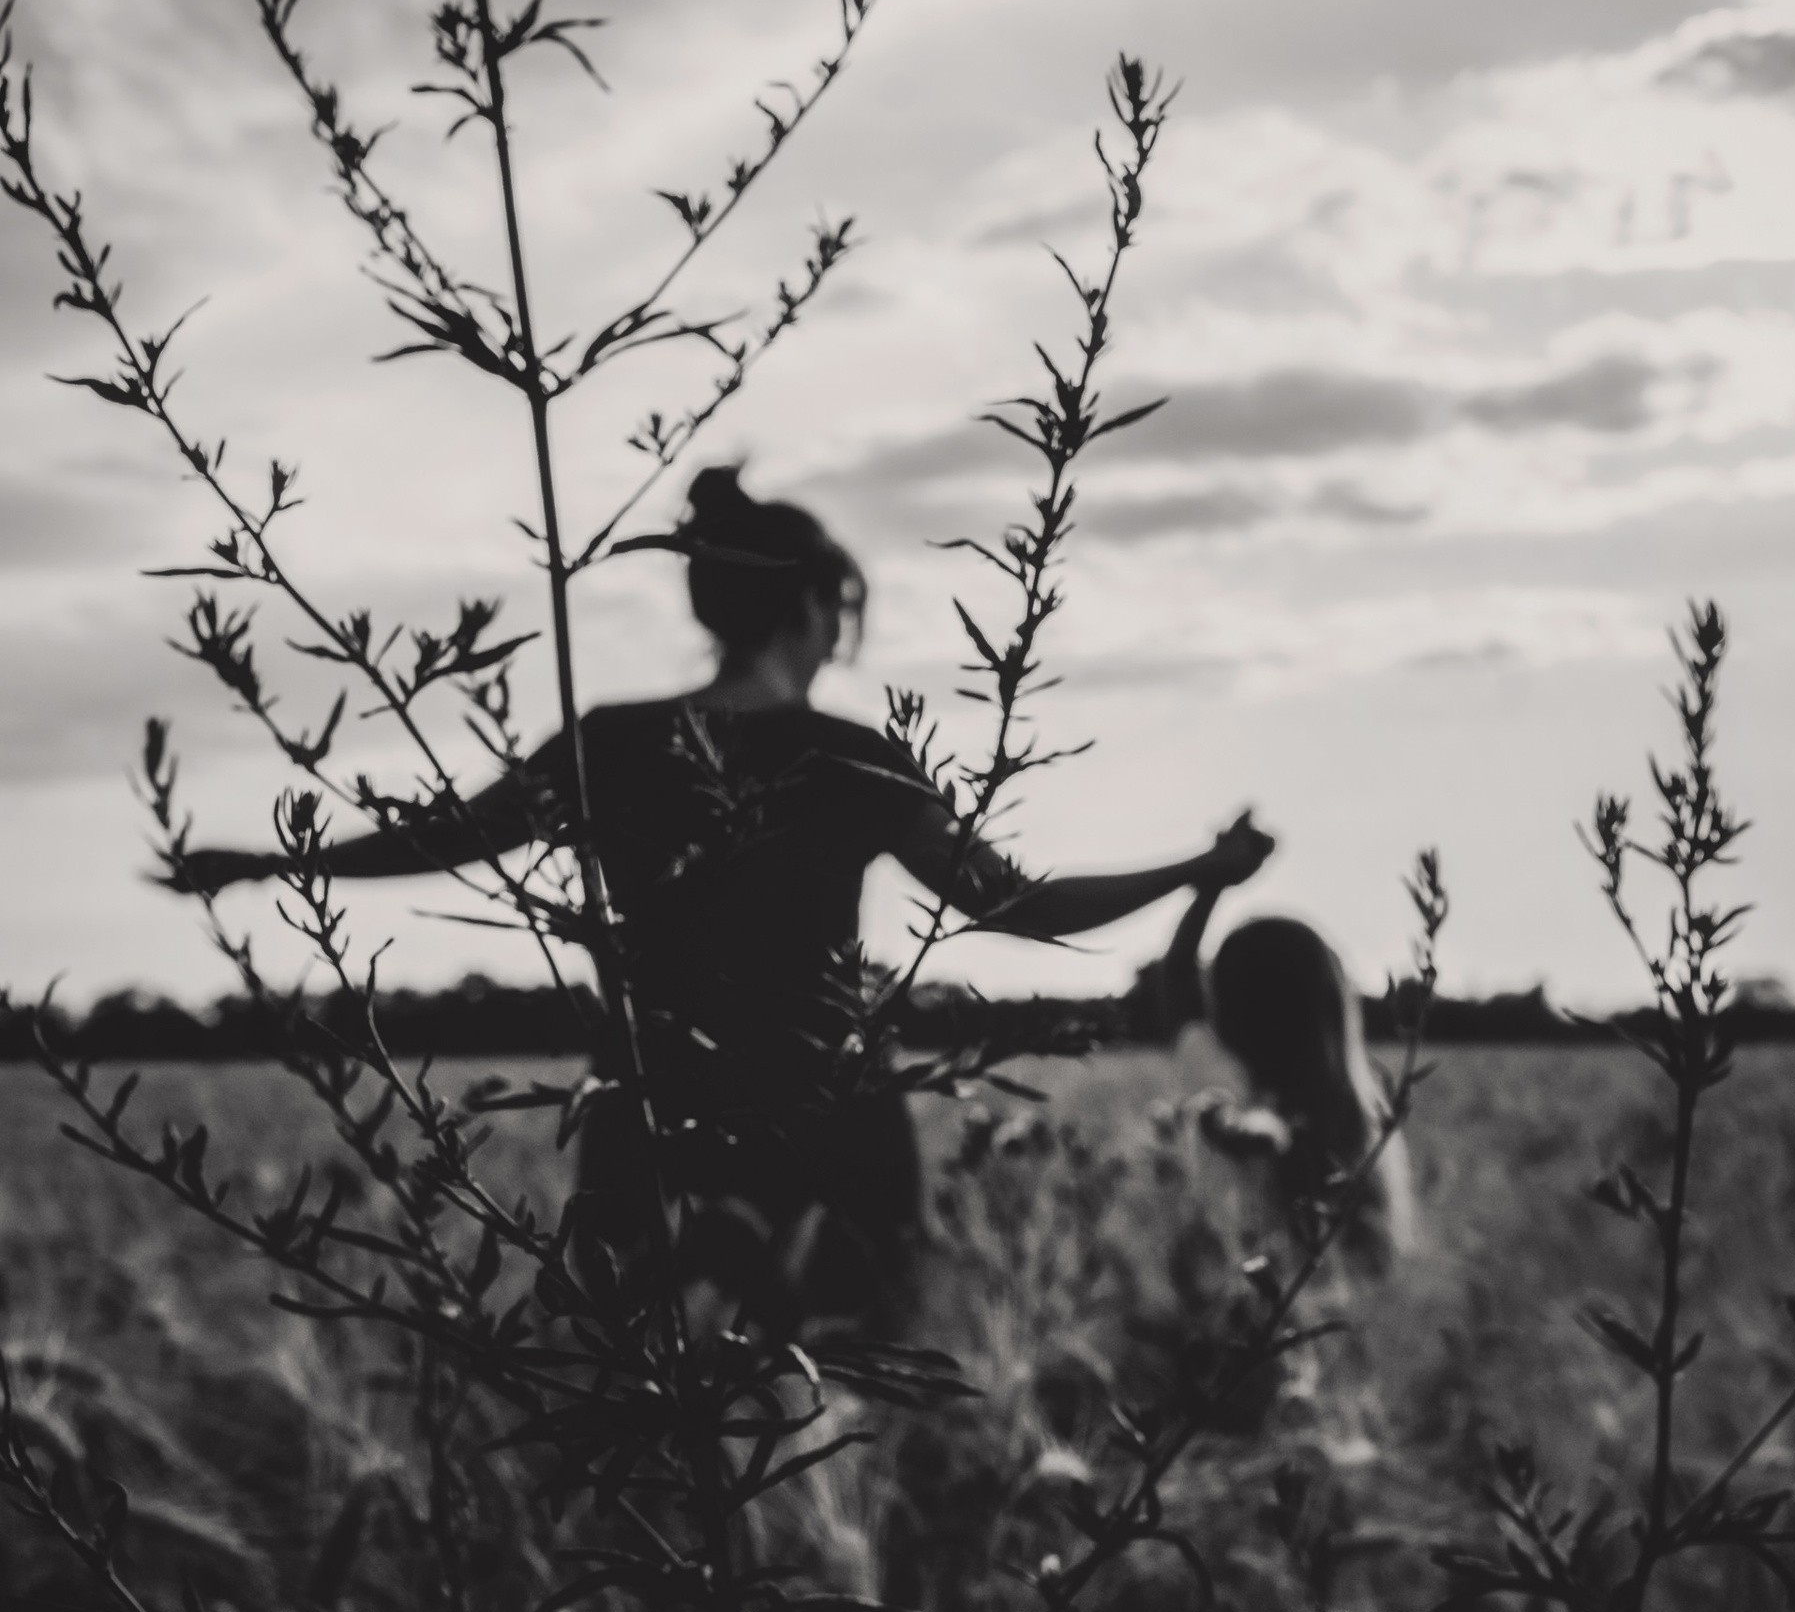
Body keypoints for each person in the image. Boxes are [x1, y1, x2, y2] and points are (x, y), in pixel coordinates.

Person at [171, 466, 1274, 1337]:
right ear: (811, 607)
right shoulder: (853, 758)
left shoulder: (611, 741)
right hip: (832, 1119)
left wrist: (276, 863)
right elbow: (1012, 904)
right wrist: (1191, 870)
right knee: (854, 1382)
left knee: (650, 1422)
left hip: (653, 1114)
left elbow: (446, 837)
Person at [1136, 883, 1414, 1270]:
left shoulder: (1218, 1080)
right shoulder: (1361, 1116)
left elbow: (1176, 976)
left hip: (1241, 1316)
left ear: (1228, 1001)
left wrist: (1214, 878)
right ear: (1333, 1005)